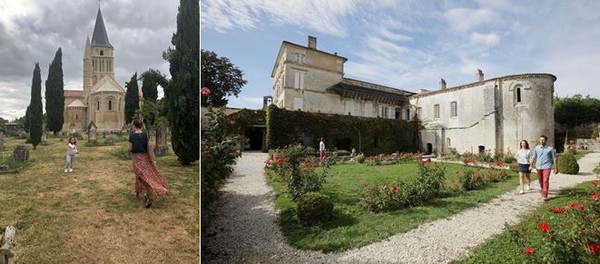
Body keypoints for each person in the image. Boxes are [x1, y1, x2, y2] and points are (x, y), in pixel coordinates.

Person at [128, 119, 169, 208]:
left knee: (143, 177)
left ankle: (149, 196)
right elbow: (149, 147)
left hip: (136, 158)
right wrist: (152, 159)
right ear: (141, 126)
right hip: (145, 157)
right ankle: (137, 191)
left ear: (134, 126)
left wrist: (133, 147)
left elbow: (129, 148)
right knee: (141, 175)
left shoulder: (131, 136)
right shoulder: (145, 135)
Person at [529, 135, 558, 201]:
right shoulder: (536, 148)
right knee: (540, 181)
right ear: (539, 140)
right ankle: (543, 190)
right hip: (538, 167)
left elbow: (554, 158)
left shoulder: (550, 149)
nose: (541, 141)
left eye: (543, 140)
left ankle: (545, 194)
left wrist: (556, 168)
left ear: (546, 141)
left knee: (545, 180)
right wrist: (531, 165)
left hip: (547, 166)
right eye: (540, 140)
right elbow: (533, 157)